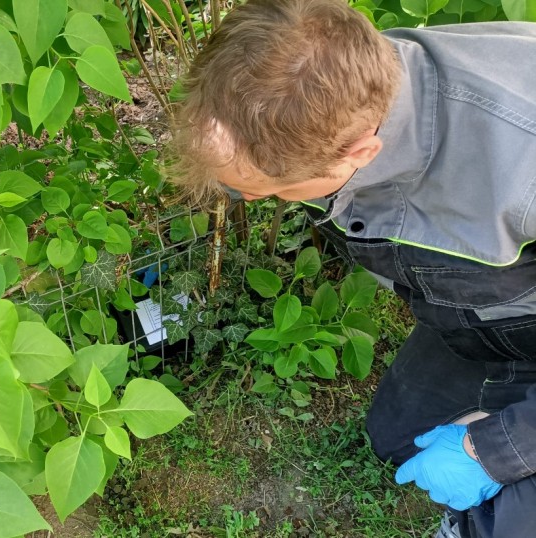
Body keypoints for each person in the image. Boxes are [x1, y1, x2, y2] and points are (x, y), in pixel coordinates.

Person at [168, 1, 536, 537]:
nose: (244, 198)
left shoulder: (522, 163)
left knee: (511, 523)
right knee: (399, 437)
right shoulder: (326, 84)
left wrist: (500, 450)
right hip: (496, 324)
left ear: (360, 153)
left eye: (261, 189)